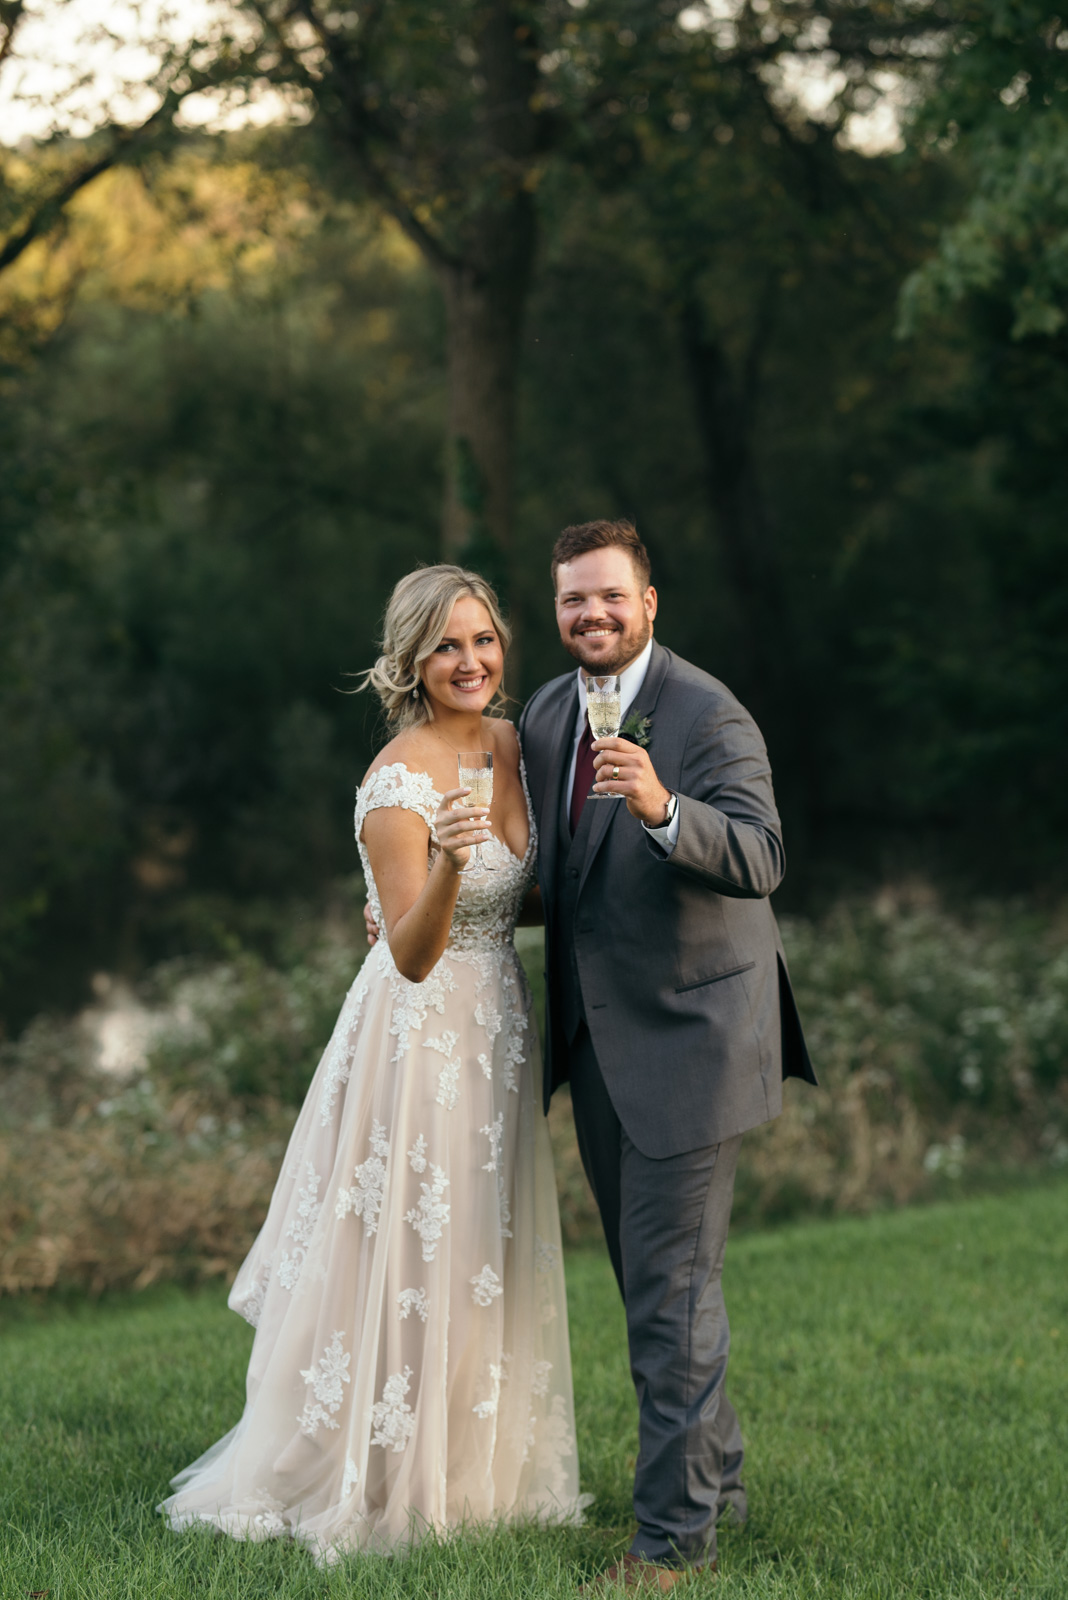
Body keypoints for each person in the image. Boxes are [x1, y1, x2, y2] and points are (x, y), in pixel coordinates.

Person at [160, 564, 586, 1565]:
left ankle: (476, 1467)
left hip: (498, 1030)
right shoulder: (397, 777)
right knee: (414, 1253)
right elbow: (410, 949)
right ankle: (384, 1473)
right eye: (447, 646)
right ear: (412, 662)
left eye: (482, 639)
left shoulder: (518, 745)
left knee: (484, 1246)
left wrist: (498, 886)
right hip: (422, 1033)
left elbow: (518, 894)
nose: (470, 660)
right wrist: (442, 862)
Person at [519, 519, 815, 1590]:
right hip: (600, 1047)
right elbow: (560, 880)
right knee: (662, 1285)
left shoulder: (707, 711)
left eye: (608, 598)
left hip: (693, 1044)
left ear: (649, 604)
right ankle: (717, 1480)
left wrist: (662, 809)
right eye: (571, 602)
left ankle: (671, 1544)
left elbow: (763, 855)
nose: (590, 616)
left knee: (670, 1299)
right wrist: (440, 899)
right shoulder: (548, 715)